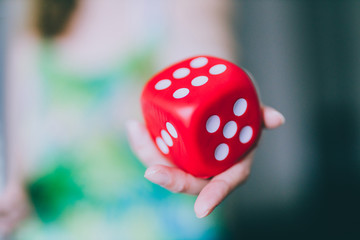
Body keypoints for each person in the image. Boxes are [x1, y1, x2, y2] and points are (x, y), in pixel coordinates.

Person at [0, 0, 285, 238]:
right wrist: (11, 205)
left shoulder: (174, 9)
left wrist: (231, 103)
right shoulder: (32, 38)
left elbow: (207, 61)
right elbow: (20, 175)